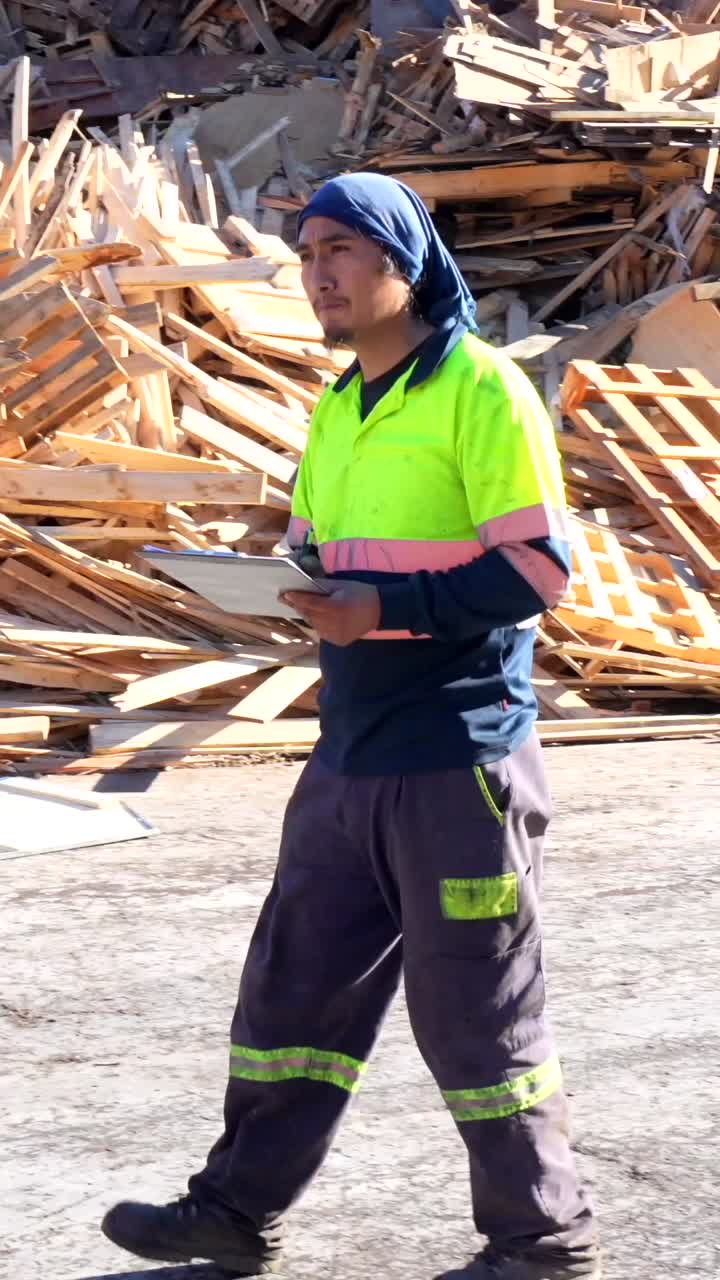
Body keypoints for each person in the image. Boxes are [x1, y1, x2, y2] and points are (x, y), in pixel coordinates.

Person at [101, 173, 601, 1280]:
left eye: (340, 248)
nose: (317, 270)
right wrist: (273, 584)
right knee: (292, 990)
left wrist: (387, 608)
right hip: (350, 751)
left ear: (403, 261)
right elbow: (325, 554)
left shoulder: (481, 390)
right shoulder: (338, 405)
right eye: (306, 250)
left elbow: (539, 568)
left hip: (457, 759)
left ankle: (541, 1244)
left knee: (478, 1014)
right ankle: (233, 1210)